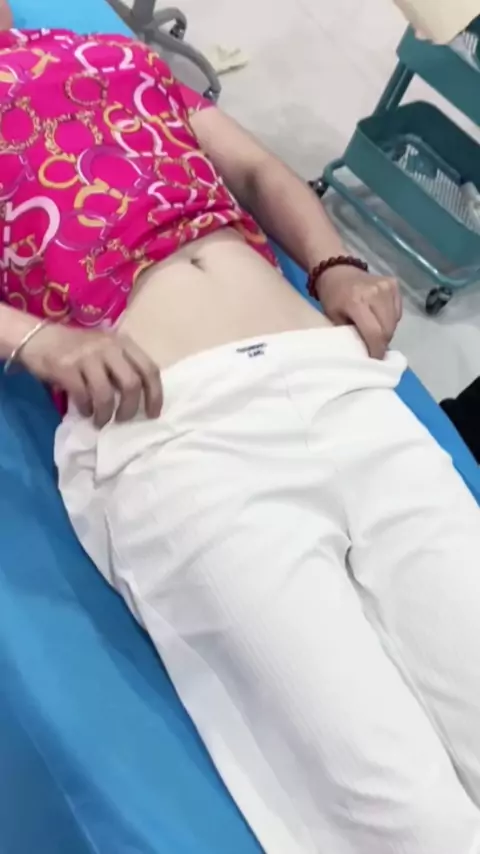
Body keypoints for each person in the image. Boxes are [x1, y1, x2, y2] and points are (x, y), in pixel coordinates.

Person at [0, 13, 480, 854]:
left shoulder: (112, 53)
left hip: (335, 381)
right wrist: (38, 340)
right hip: (177, 437)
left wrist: (334, 264)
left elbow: (256, 169)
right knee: (412, 821)